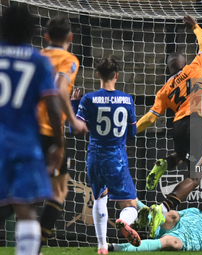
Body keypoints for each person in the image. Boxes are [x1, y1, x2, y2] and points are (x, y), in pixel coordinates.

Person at [0, 6, 63, 255]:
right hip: (26, 144)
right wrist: (58, 143)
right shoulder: (38, 61)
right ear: (32, 31)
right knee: (26, 207)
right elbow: (53, 106)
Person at [136, 15, 202, 215]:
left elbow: (150, 118)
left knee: (181, 154)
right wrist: (195, 26)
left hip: (178, 126)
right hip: (198, 120)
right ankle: (162, 209)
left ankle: (164, 163)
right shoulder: (194, 66)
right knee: (195, 177)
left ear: (168, 68)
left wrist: (130, 130)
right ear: (183, 62)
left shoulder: (164, 90)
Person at [71, 55, 142, 254]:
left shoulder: (88, 99)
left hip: (95, 157)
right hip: (117, 158)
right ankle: (123, 221)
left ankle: (102, 246)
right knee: (130, 206)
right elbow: (133, 133)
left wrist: (74, 104)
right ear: (116, 75)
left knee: (99, 199)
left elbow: (74, 130)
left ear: (97, 75)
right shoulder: (126, 99)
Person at [37, 16, 88, 247]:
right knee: (59, 192)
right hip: (49, 132)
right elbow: (59, 89)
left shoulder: (36, 56)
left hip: (26, 131)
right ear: (70, 37)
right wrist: (75, 121)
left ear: (46, 36)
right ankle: (35, 246)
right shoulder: (69, 59)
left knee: (17, 195)